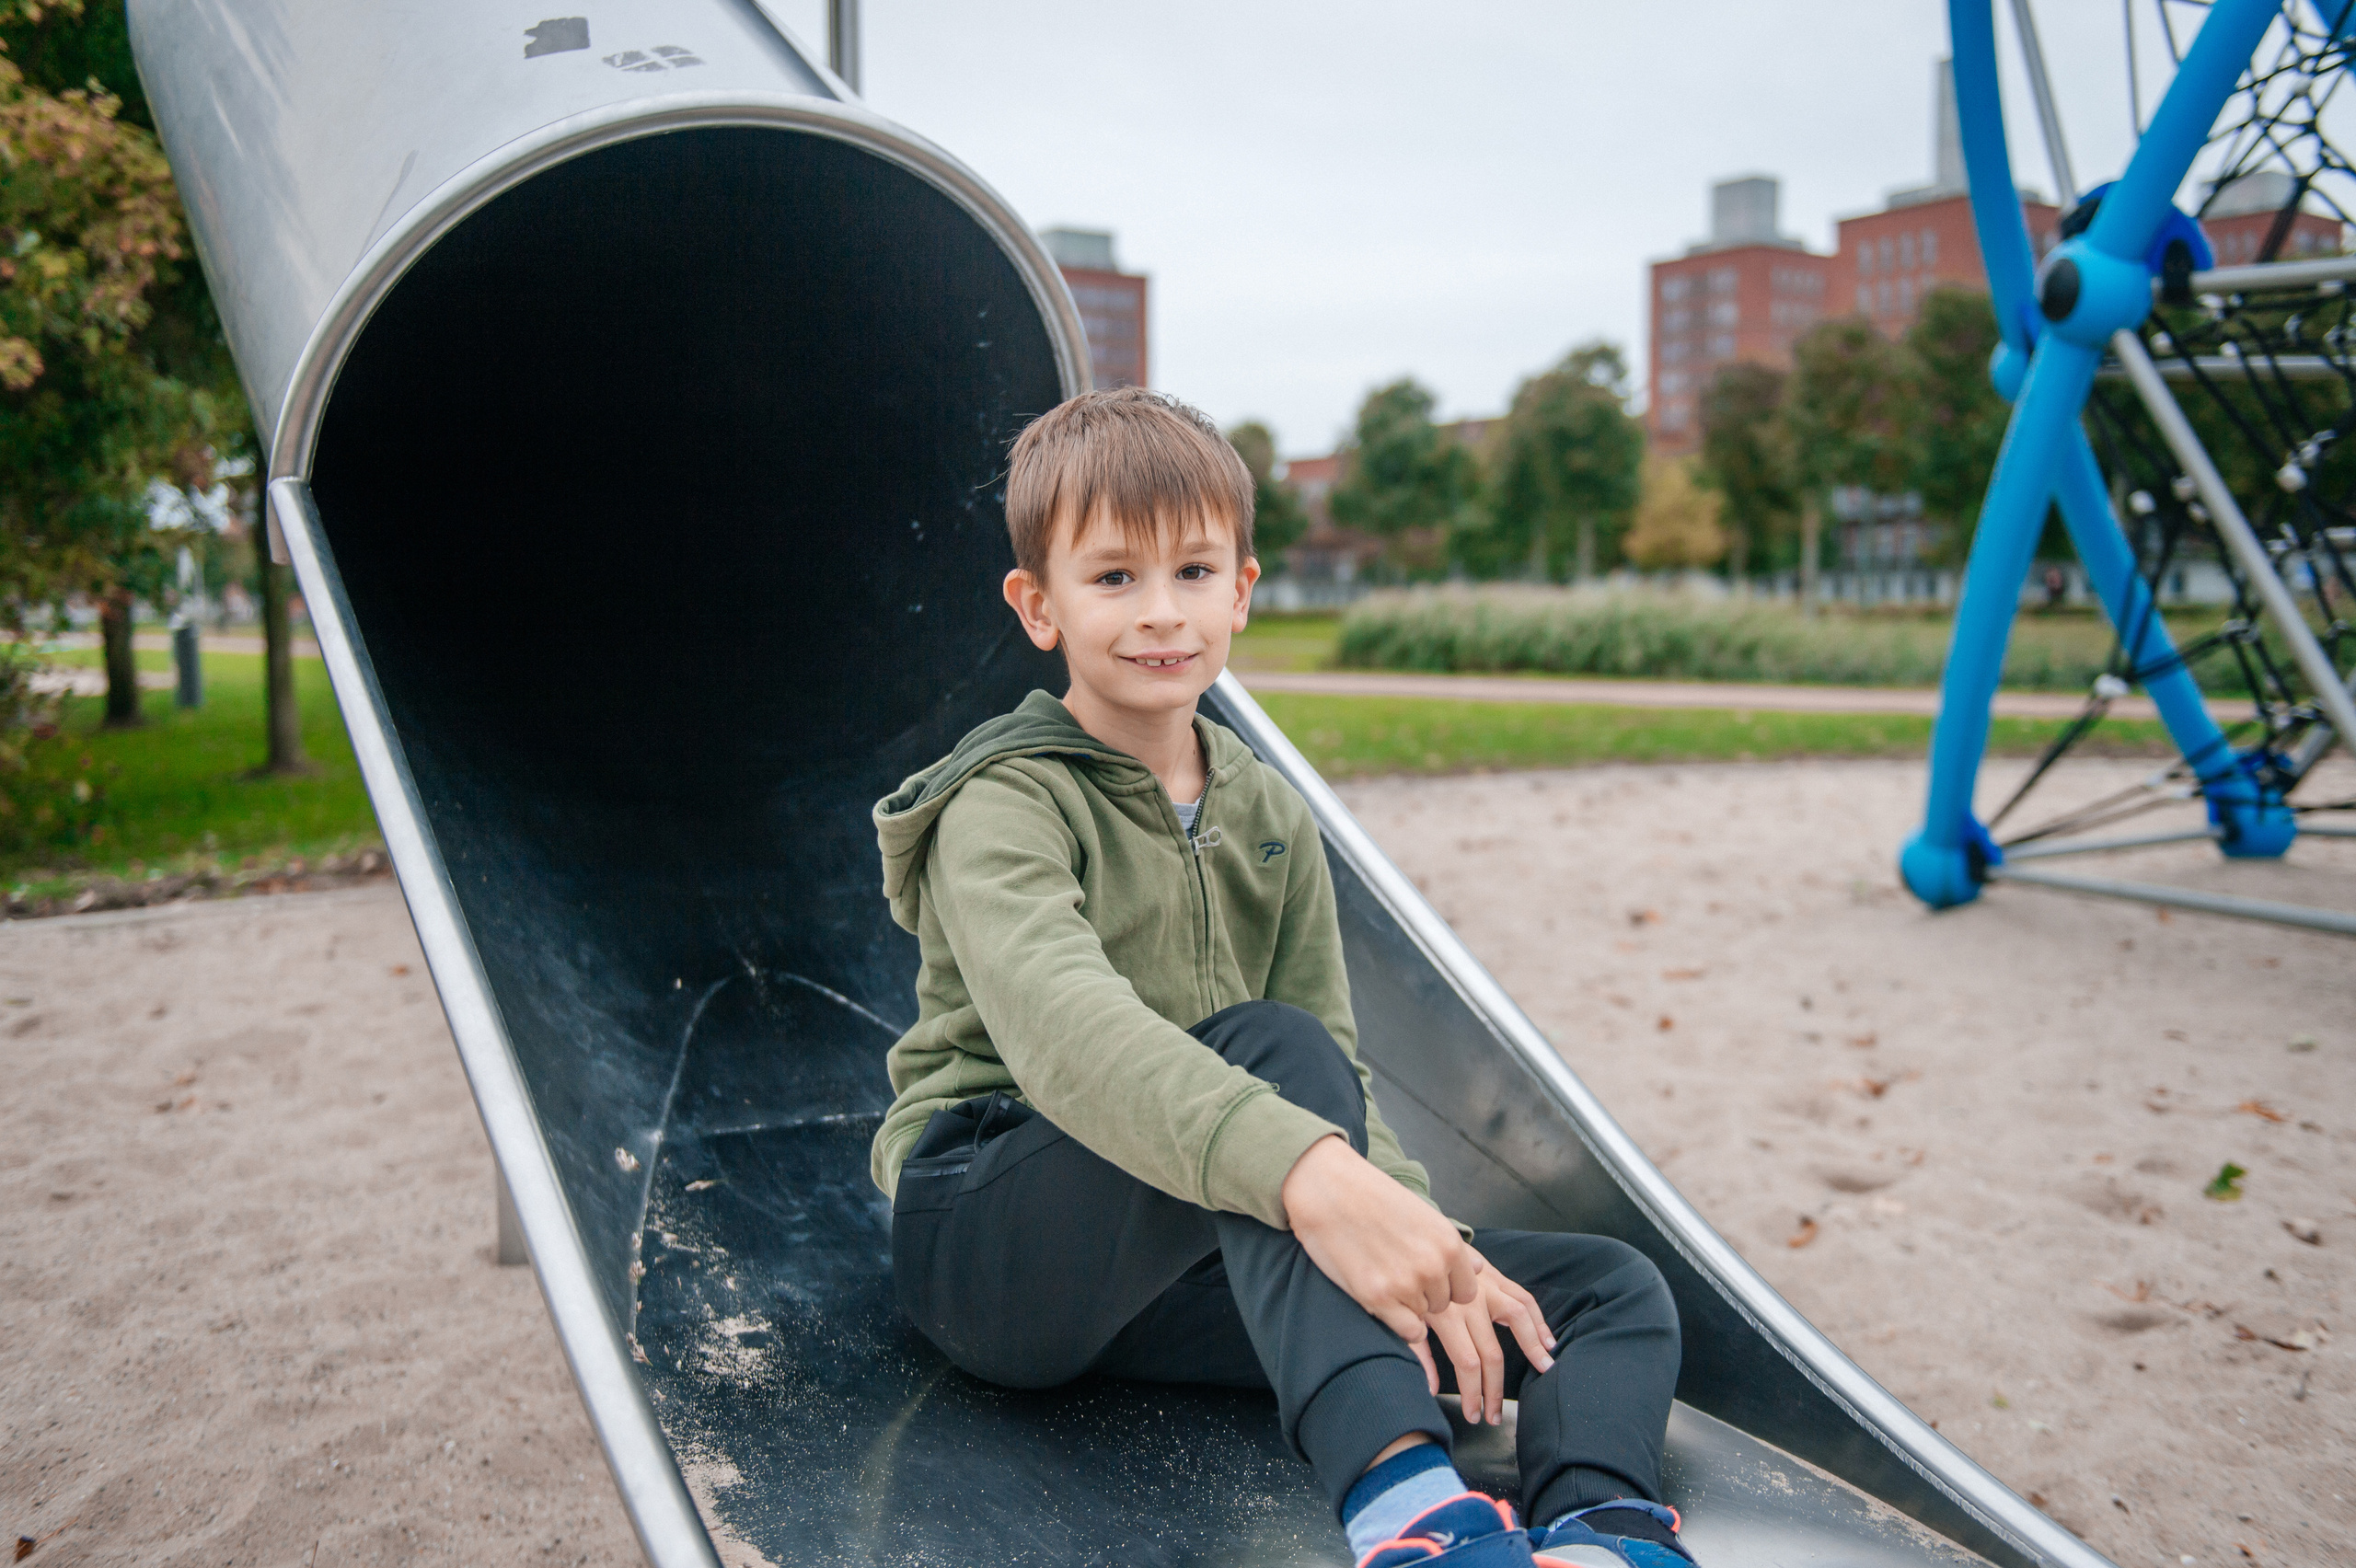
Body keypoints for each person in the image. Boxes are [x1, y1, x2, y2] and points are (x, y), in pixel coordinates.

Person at [870, 387, 1693, 1568]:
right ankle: (1408, 1513)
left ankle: (1600, 1529)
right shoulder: (1004, 806)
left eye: (1194, 573)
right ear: (1037, 605)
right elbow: (1069, 1038)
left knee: (1601, 1291)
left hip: (1198, 1260)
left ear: (1243, 590)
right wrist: (1318, 1180)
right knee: (1269, 1054)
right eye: (1113, 580)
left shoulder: (1268, 812)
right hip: (997, 1239)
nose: (1161, 613)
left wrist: (1433, 1246)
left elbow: (1334, 1071)